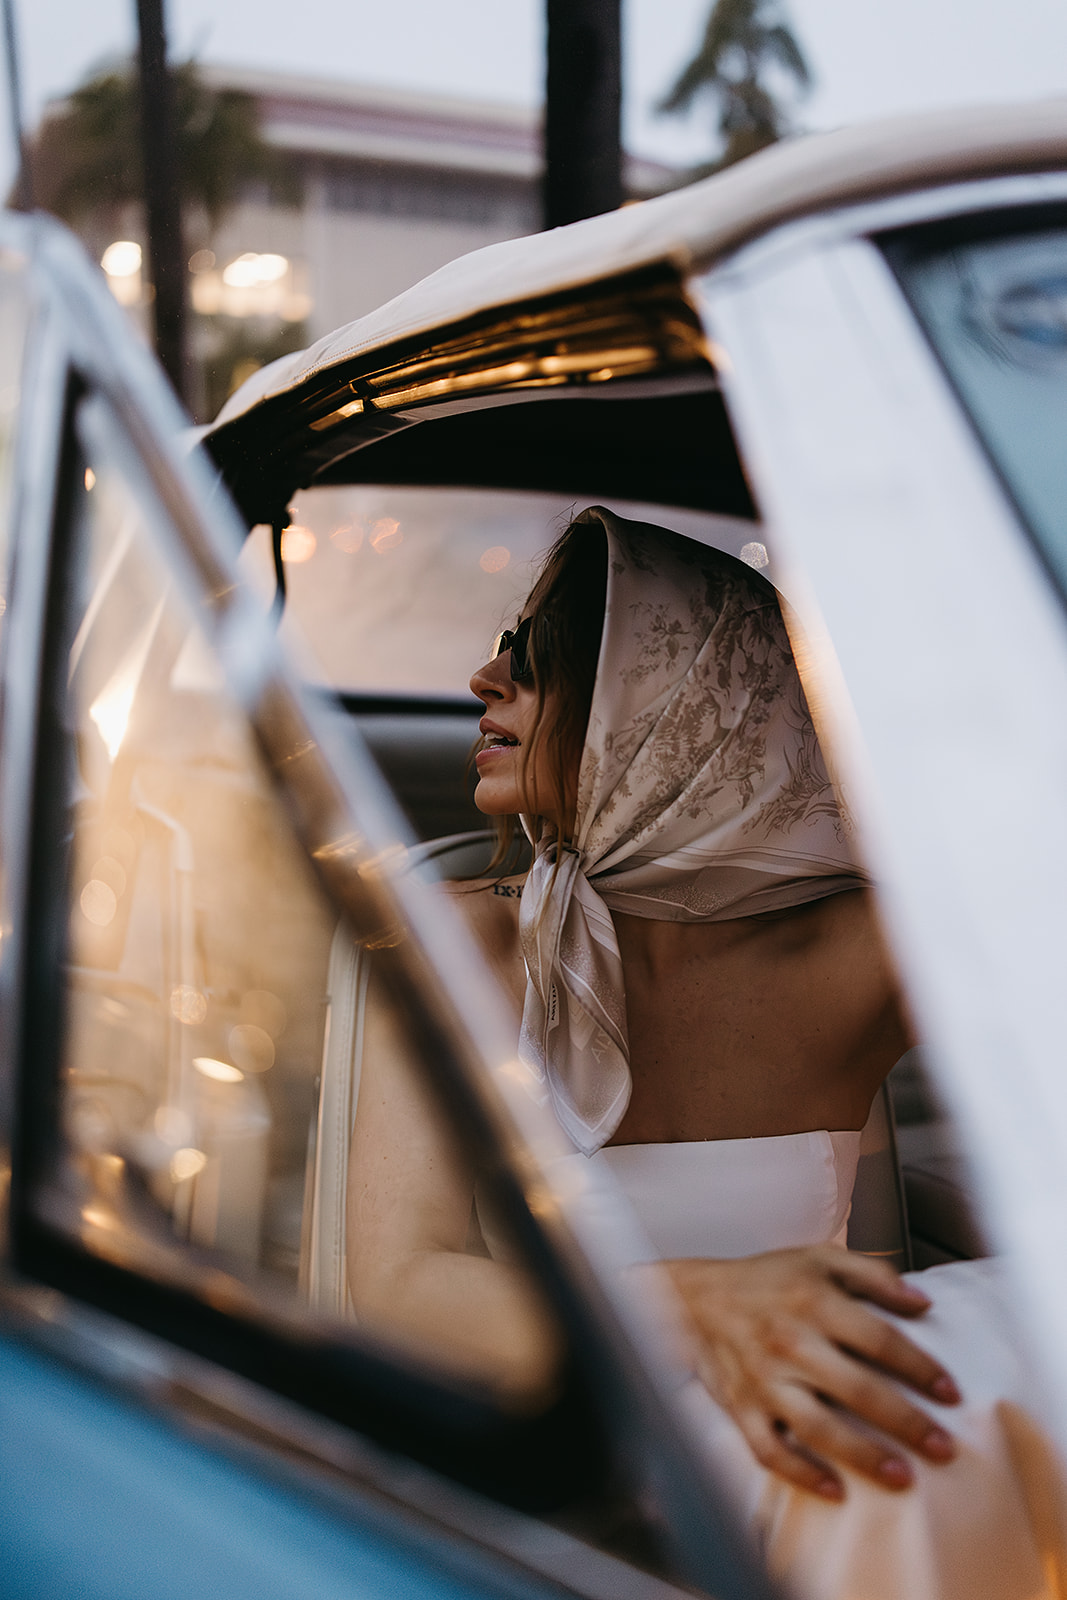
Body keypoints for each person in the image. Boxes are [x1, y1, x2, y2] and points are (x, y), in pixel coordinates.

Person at [349, 506, 1065, 1600]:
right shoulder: (469, 939)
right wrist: (714, 1304)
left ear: (674, 709)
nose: (481, 677)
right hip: (581, 1445)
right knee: (867, 1466)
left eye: (537, 656)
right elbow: (398, 1285)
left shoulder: (871, 950)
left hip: (833, 1415)